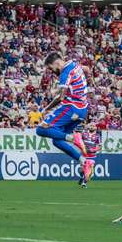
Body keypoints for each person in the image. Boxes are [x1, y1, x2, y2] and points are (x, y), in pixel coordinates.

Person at [36, 52, 94, 182]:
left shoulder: (65, 72)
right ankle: (84, 161)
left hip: (71, 107)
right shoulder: (74, 63)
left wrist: (45, 110)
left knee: (40, 130)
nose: (52, 72)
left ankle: (74, 138)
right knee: (57, 140)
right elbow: (87, 69)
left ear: (56, 63)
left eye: (51, 68)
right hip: (82, 110)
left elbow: (60, 97)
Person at [78, 123, 101, 188]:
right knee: (82, 169)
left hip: (92, 156)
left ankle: (84, 183)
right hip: (84, 154)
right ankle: (81, 177)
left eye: (93, 126)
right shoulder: (84, 134)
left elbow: (99, 146)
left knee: (90, 171)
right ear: (88, 127)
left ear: (95, 128)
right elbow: (78, 140)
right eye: (91, 125)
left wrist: (94, 150)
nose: (92, 127)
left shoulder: (97, 136)